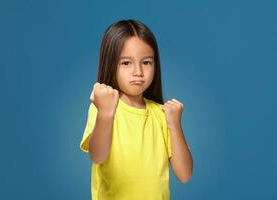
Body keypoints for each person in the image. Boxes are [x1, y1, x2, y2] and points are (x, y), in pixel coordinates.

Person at [79, 19, 193, 200]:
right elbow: (97, 156)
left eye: (146, 62)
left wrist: (175, 124)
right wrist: (105, 113)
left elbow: (185, 175)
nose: (138, 71)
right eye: (126, 63)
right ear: (110, 64)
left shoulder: (161, 114)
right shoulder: (103, 109)